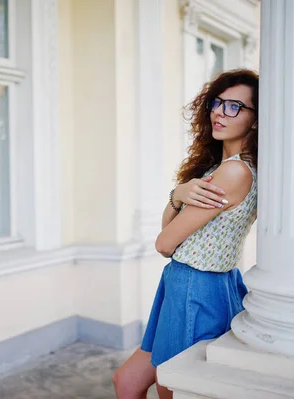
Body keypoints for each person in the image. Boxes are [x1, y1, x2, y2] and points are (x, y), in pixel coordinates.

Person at [113, 69, 259, 399]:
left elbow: (164, 243)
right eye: (217, 103)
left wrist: (178, 200)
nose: (220, 112)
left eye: (235, 106)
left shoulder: (234, 171)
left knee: (175, 391)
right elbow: (170, 232)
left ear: (254, 120)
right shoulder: (219, 167)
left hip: (196, 286)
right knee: (128, 381)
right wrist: (177, 194)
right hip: (184, 282)